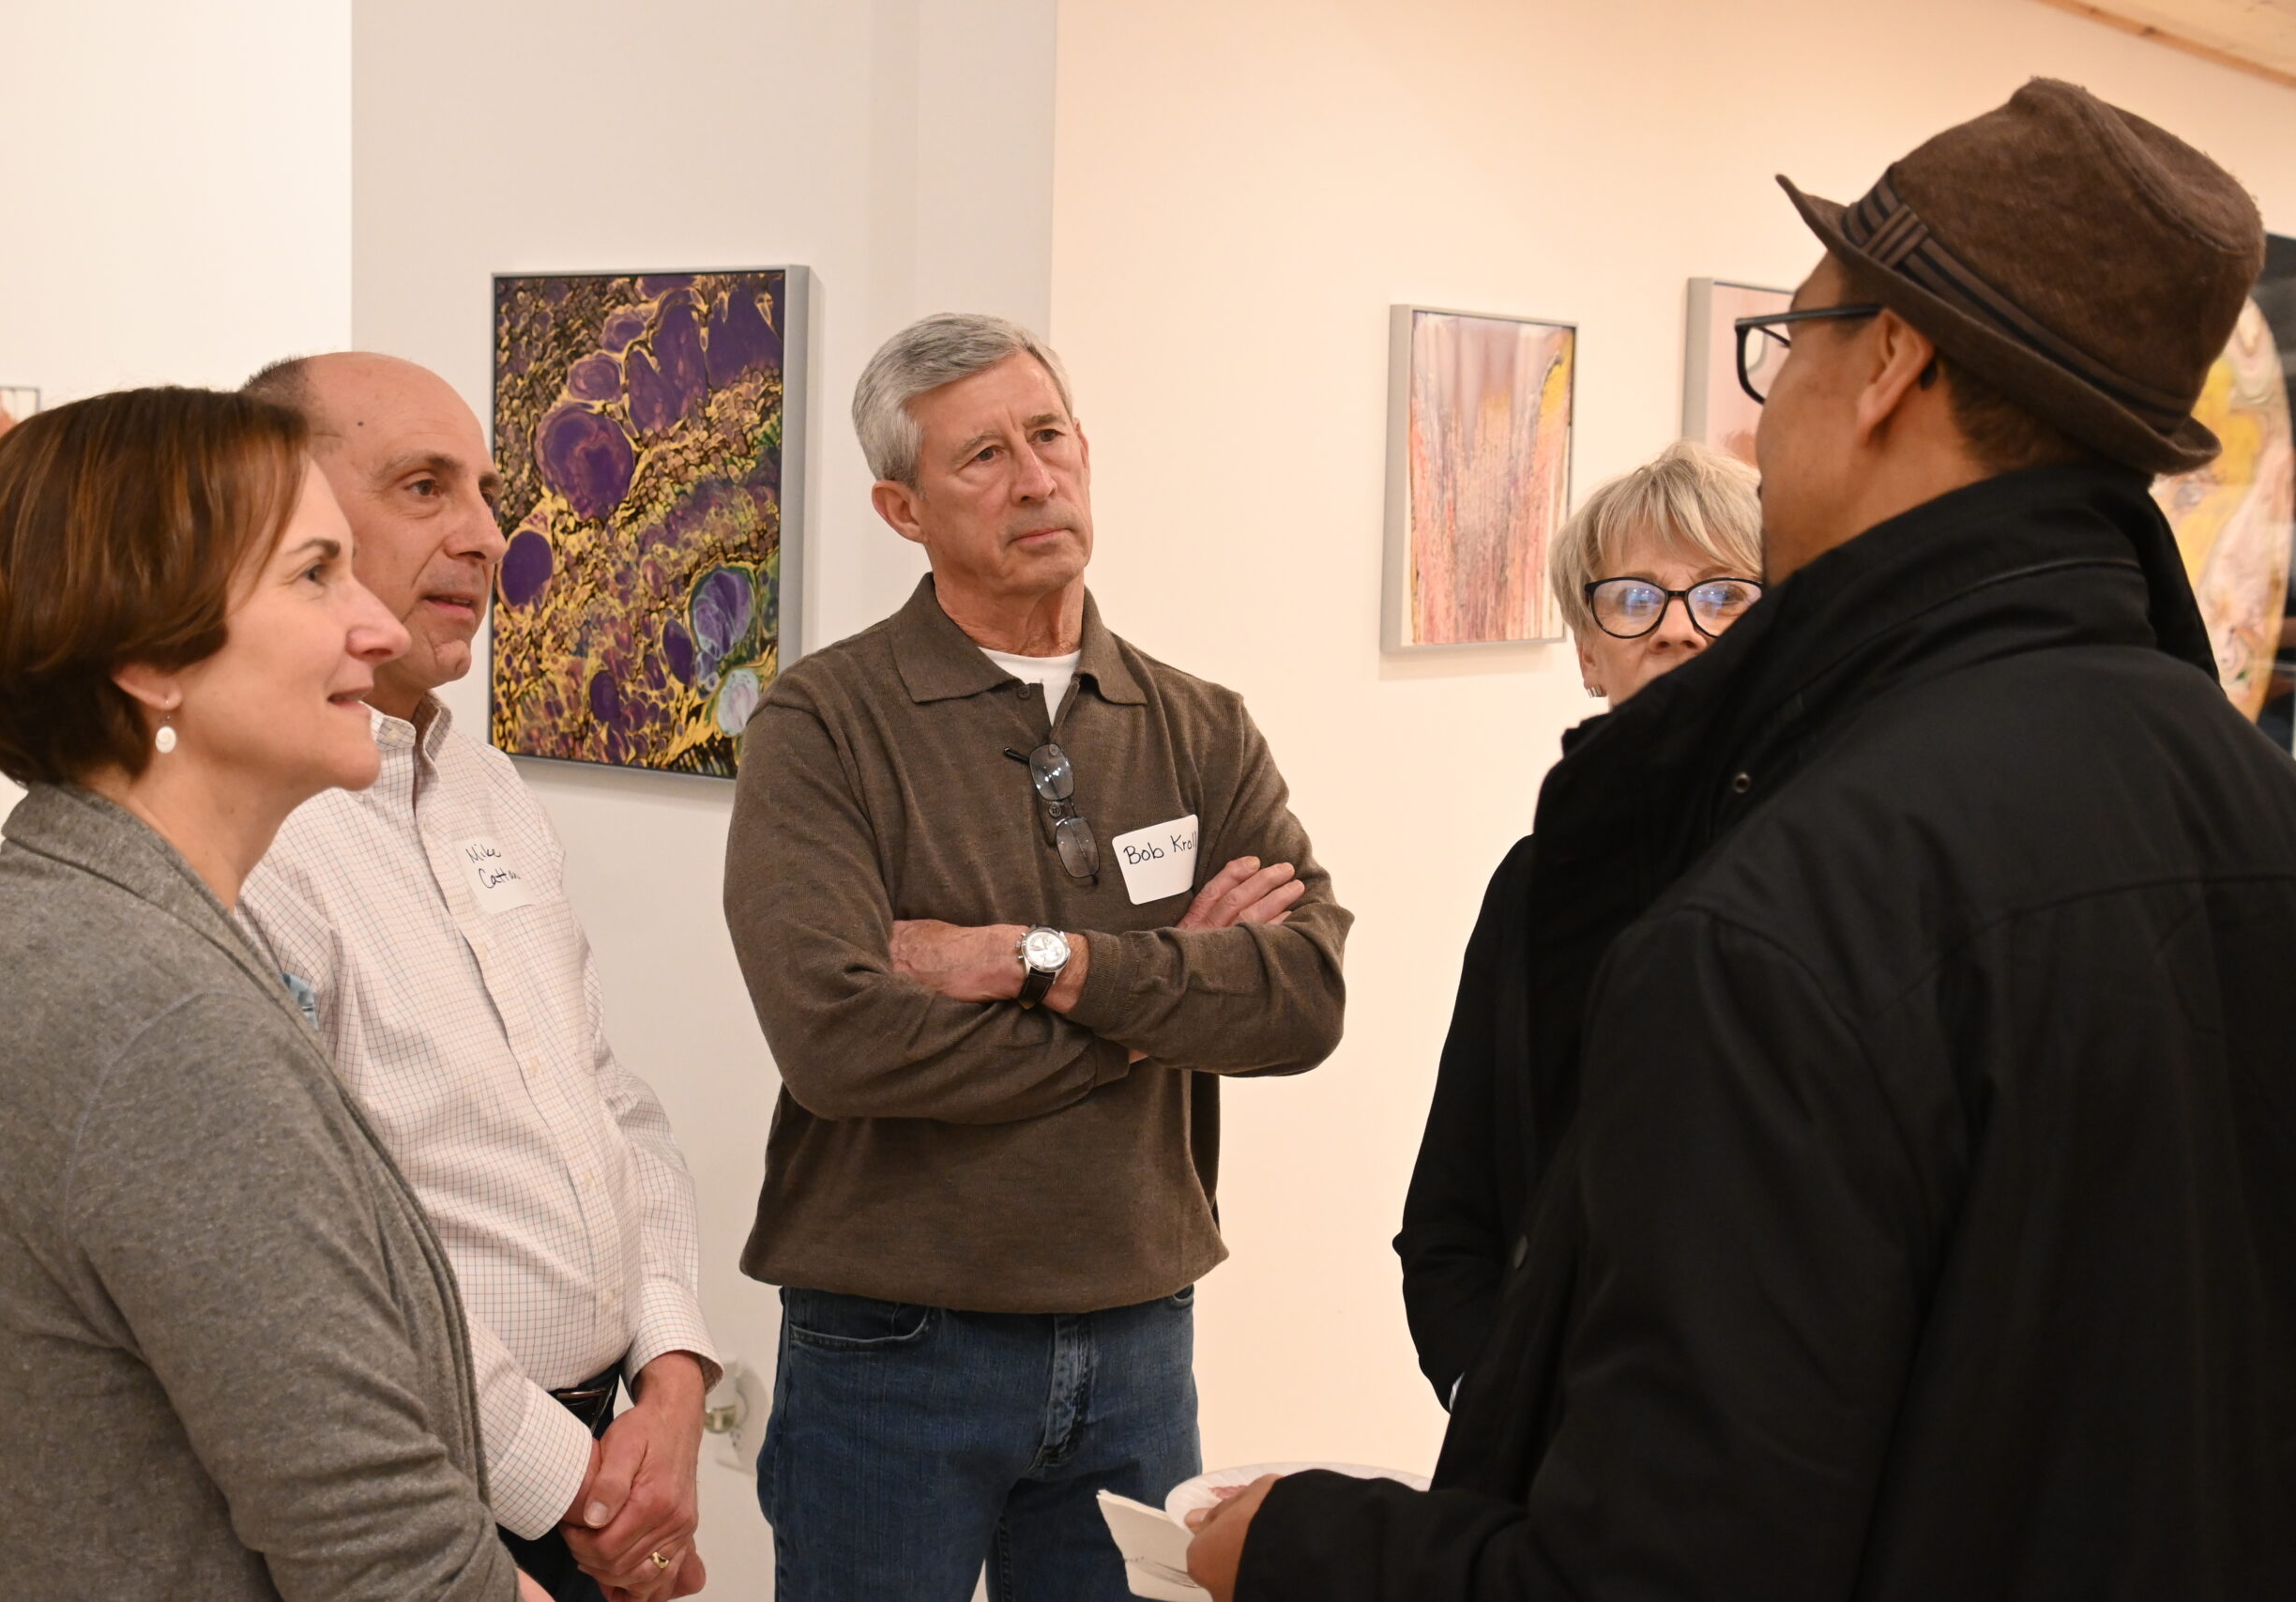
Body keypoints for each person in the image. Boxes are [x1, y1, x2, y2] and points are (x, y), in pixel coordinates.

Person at [1191, 79, 2296, 1600]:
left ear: (1894, 363)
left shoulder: (1801, 900)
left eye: (1788, 345)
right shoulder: (2240, 798)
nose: (1765, 416)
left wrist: (1300, 1546)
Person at [722, 313, 1352, 1601]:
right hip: (895, 1340)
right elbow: (839, 1040)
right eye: (983, 457)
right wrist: (1156, 1002)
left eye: (1049, 436)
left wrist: (1043, 957)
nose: (1035, 478)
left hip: (1138, 1330)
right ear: (902, 508)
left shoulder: (1197, 723)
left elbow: (1303, 996)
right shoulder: (822, 725)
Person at [0, 388, 543, 1601]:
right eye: (314, 575)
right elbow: (385, 1555)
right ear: (151, 656)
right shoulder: (151, 1015)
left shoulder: (93, 914)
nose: (371, 626)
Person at [236, 353, 719, 1602]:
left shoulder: (490, 789)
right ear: (277, 526)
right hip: (429, 1475)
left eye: (490, 492)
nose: (488, 537)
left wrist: (672, 1370)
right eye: (423, 486)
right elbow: (313, 1253)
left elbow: (609, 1097)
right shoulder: (258, 837)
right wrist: (580, 1482)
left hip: (603, 1446)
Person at [1395, 440, 1761, 1408]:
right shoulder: (1533, 885)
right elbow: (1449, 1209)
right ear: (1590, 653)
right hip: (1549, 1430)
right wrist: (1485, 1383)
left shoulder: (1830, 879)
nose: (1677, 632)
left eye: (1723, 596)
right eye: (1633, 599)